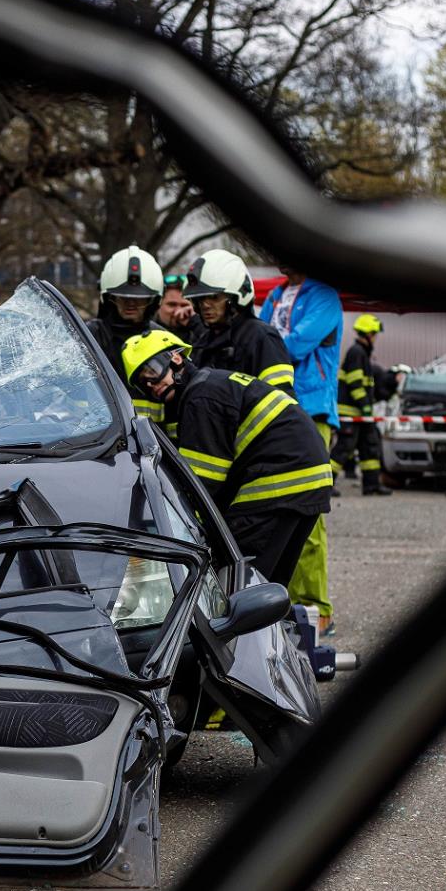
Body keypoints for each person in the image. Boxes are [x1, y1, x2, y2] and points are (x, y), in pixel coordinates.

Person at [121, 329, 332, 584]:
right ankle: (279, 623)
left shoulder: (200, 398)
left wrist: (181, 529)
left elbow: (204, 484)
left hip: (276, 482)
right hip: (310, 479)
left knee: (239, 579)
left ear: (176, 358)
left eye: (153, 372)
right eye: (144, 384)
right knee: (272, 581)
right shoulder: (213, 384)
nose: (153, 386)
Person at [258, 265, 341, 632]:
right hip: (272, 410)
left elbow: (288, 345)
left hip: (312, 410)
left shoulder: (324, 296)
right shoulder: (276, 295)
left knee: (309, 511)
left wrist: (266, 341)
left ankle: (315, 607)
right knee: (275, 509)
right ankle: (279, 603)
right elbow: (259, 338)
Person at [182, 248, 294, 392]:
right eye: (200, 298)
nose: (205, 305)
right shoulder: (204, 342)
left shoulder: (261, 337)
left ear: (236, 296)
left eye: (214, 297)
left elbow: (280, 402)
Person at [86, 245, 166, 430]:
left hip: (156, 444)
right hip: (98, 441)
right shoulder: (89, 337)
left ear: (153, 300)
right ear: (108, 297)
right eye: (123, 297)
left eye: (140, 298)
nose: (131, 303)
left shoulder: (163, 341)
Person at [333, 314, 391, 496]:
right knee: (344, 448)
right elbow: (355, 382)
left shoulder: (362, 353)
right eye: (374, 334)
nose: (375, 338)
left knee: (369, 446)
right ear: (368, 334)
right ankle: (324, 485)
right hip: (352, 412)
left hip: (361, 412)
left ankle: (371, 484)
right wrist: (365, 405)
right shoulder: (356, 352)